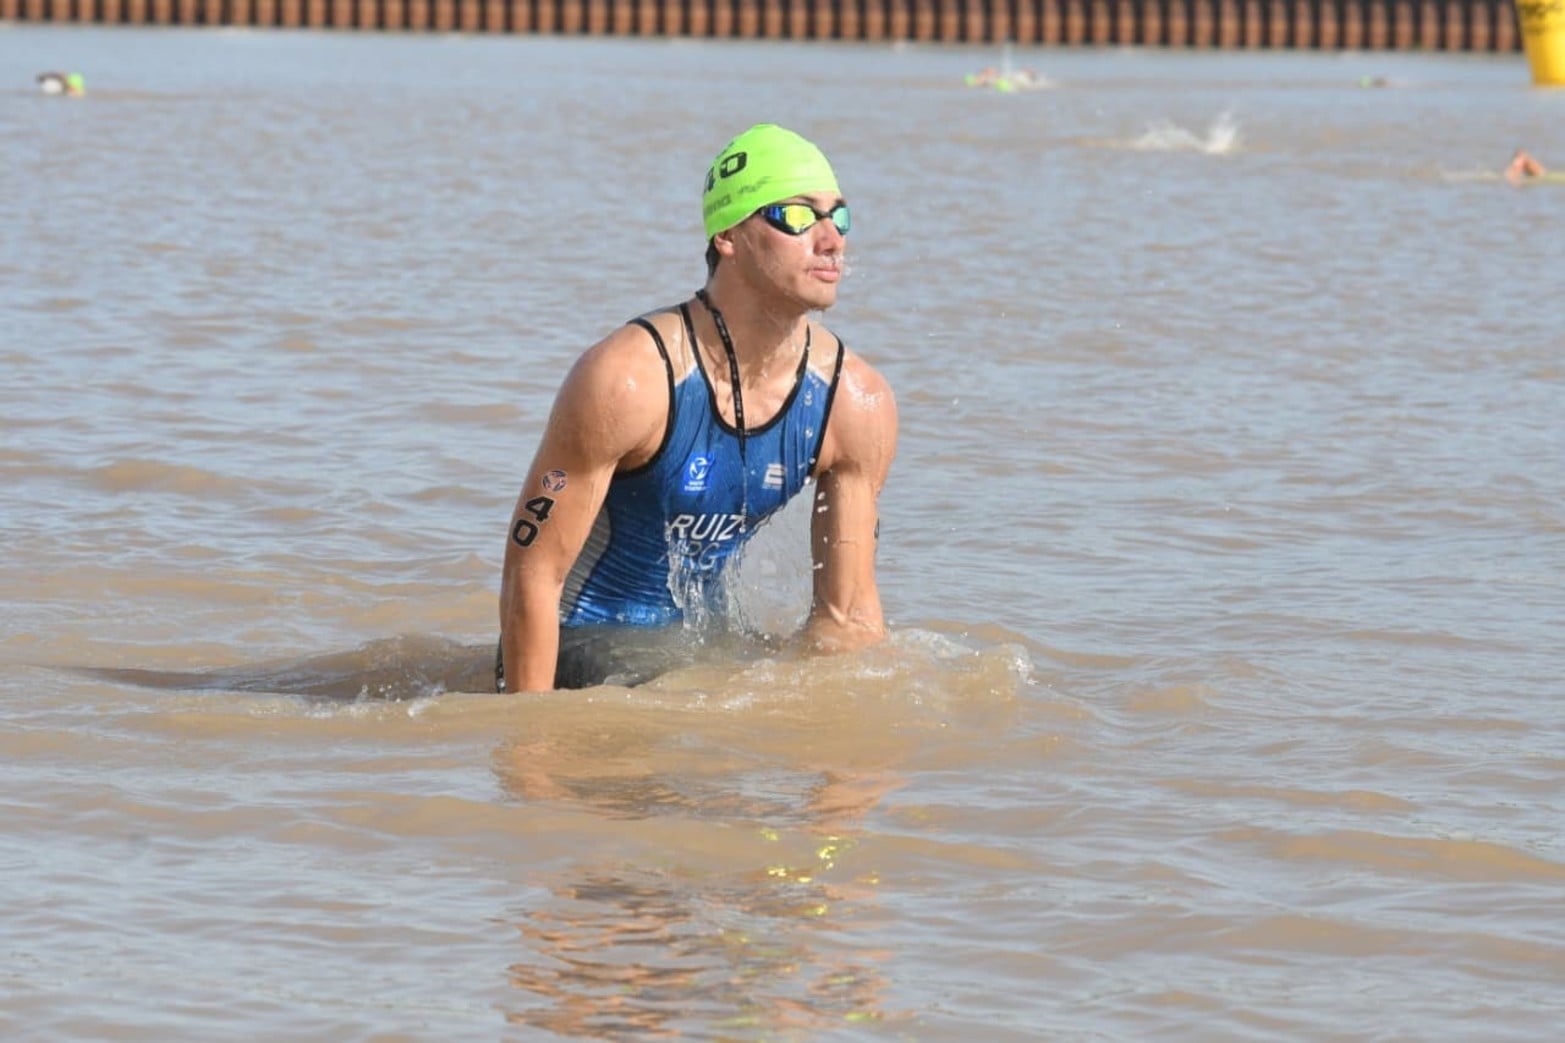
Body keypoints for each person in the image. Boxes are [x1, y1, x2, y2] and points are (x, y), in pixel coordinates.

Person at [497, 124, 898, 693]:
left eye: (840, 217)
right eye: (798, 216)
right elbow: (532, 576)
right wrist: (532, 735)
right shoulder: (628, 380)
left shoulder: (855, 401)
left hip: (695, 659)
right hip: (580, 651)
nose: (831, 239)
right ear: (729, 235)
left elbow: (848, 620)